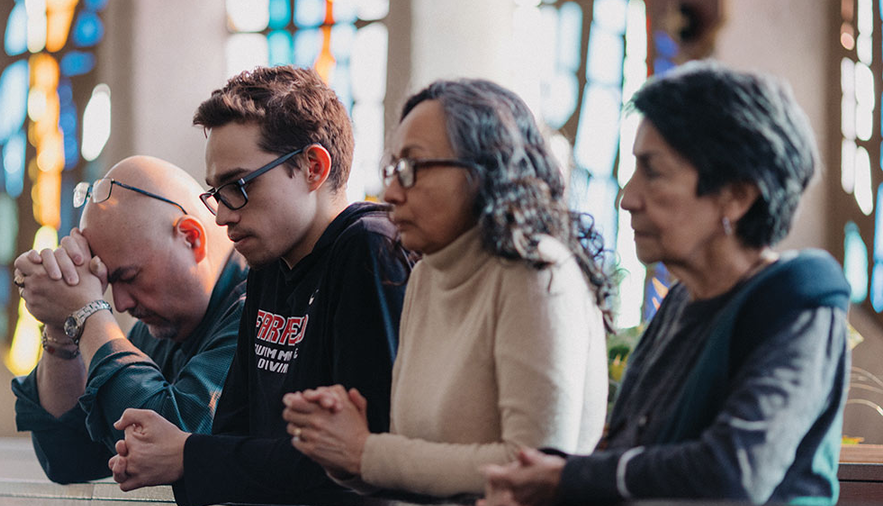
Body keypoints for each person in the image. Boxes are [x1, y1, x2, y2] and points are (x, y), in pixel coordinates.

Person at [480, 61, 851, 506]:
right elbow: (632, 459)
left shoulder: (798, 306)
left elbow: (732, 474)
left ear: (737, 194)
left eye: (652, 172)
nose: (627, 198)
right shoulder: (681, 301)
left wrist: (568, 479)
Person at [282, 78, 615, 498]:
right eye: (391, 169)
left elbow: (530, 465)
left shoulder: (537, 271)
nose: (390, 192)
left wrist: (367, 451)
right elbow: (416, 465)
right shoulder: (426, 273)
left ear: (484, 169)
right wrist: (341, 451)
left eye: (412, 169)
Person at [107, 65, 411, 506]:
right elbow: (235, 431)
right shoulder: (269, 262)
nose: (222, 214)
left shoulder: (367, 249)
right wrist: (172, 450)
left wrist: (188, 454)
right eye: (216, 192)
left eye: (238, 185)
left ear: (313, 167)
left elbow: (367, 464)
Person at [11, 156, 247, 484]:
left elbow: (167, 440)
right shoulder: (158, 329)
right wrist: (62, 324)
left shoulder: (259, 309)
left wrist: (87, 311)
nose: (120, 304)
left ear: (192, 238)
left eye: (129, 276)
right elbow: (68, 459)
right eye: (109, 284)